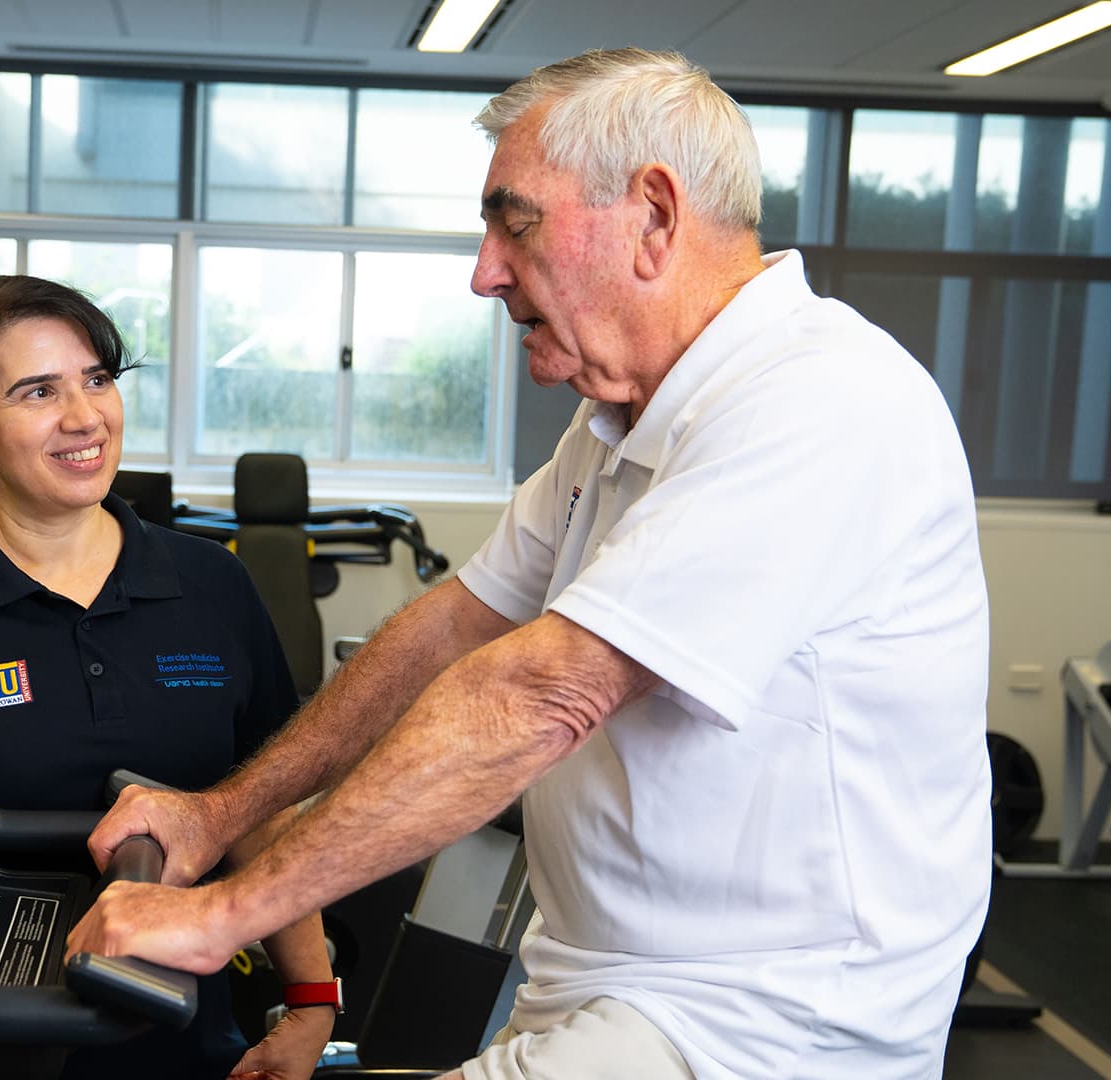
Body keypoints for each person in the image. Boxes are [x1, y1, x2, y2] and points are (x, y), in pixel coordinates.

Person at [68, 48, 992, 1080]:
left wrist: (224, 914)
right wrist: (218, 816)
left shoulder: (821, 401)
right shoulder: (616, 424)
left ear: (653, 216)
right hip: (603, 972)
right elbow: (454, 627)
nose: (484, 270)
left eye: (517, 222)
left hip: (767, 1017)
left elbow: (537, 695)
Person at [0, 275, 334, 1080]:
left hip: (180, 1041)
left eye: (97, 379)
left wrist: (310, 1001)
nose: (83, 417)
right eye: (37, 391)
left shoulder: (210, 586)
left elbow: (268, 812)